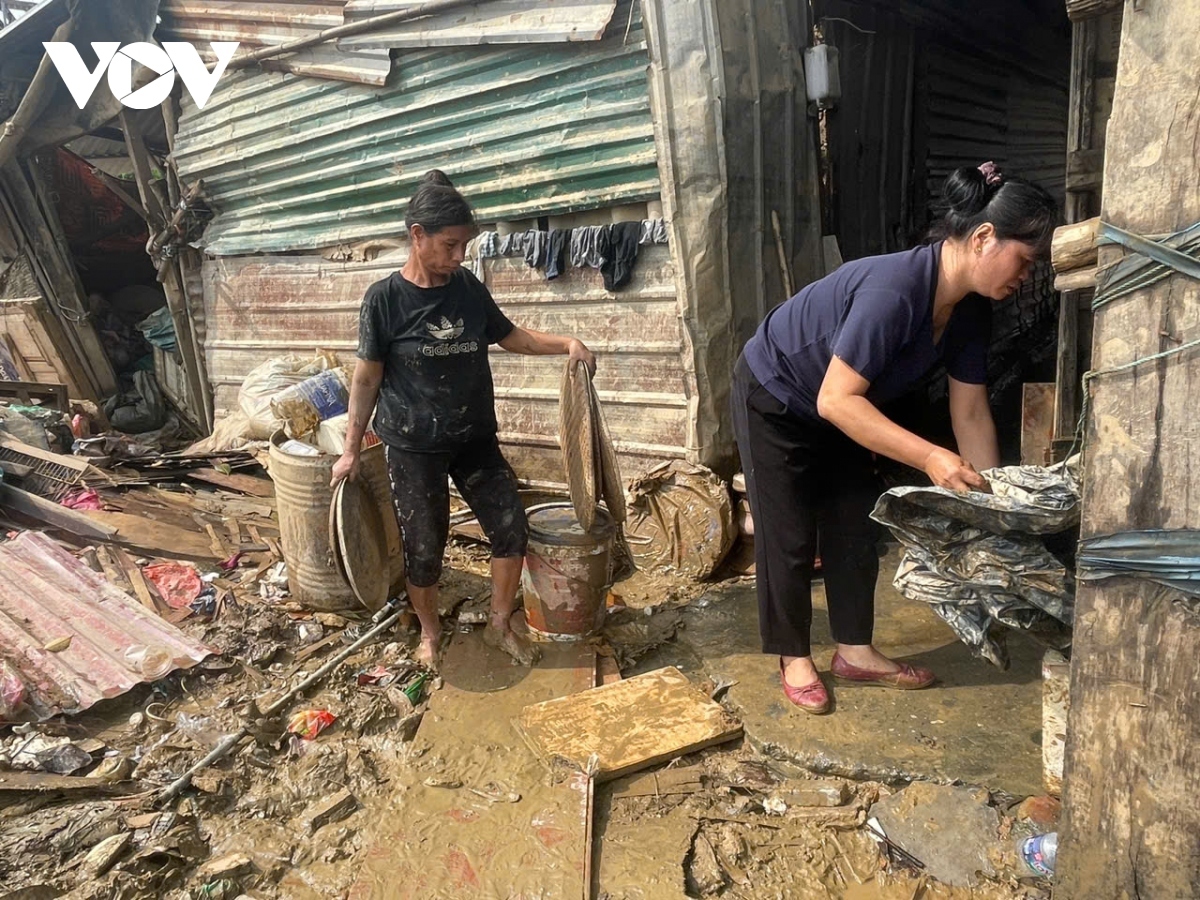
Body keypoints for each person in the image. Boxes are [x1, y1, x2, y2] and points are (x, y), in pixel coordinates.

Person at [732, 163, 1059, 714]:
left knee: (855, 522)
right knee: (788, 533)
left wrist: (993, 503)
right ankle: (794, 657)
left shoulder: (971, 310)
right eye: (1024, 261)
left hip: (844, 406)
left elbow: (972, 411)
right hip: (777, 393)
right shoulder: (896, 289)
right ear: (983, 238)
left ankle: (855, 651)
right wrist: (931, 457)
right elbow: (835, 399)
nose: (1026, 276)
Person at [331, 170, 596, 668]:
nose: (460, 256)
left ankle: (500, 622)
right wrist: (349, 450)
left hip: (474, 438)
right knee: (425, 547)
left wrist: (567, 344)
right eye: (450, 245)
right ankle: (430, 633)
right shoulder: (384, 300)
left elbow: (512, 336)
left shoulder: (468, 288)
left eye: (464, 245)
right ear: (417, 236)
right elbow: (366, 380)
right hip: (413, 445)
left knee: (509, 526)